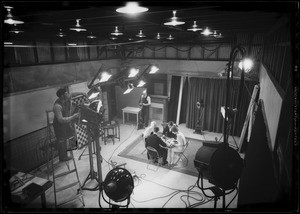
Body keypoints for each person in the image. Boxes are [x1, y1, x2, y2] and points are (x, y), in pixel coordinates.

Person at [53, 87, 89, 162]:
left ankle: (66, 154)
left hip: (66, 122)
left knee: (66, 138)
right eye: (66, 93)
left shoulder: (66, 99)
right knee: (61, 140)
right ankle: (62, 158)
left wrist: (82, 93)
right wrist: (73, 117)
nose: (68, 94)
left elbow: (73, 94)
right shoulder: (57, 106)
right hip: (59, 125)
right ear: (62, 96)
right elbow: (61, 120)